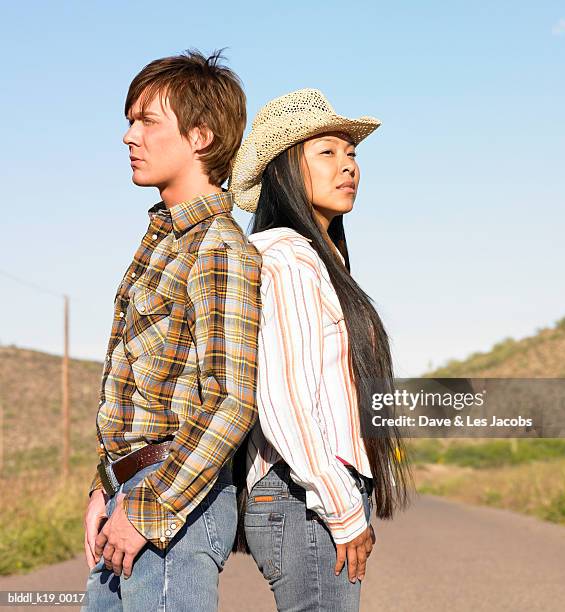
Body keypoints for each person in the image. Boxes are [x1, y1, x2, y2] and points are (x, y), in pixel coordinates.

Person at [81, 50, 262, 611]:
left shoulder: (219, 247)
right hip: (129, 495)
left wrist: (149, 509)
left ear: (201, 136)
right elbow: (135, 387)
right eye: (129, 120)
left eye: (146, 120)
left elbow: (232, 401)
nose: (129, 136)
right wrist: (103, 486)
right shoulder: (165, 241)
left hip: (171, 506)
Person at [229, 88, 413, 611]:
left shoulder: (318, 259)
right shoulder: (287, 257)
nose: (348, 166)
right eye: (327, 152)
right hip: (303, 498)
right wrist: (342, 505)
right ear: (285, 171)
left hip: (309, 497)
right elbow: (284, 397)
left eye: (351, 153)